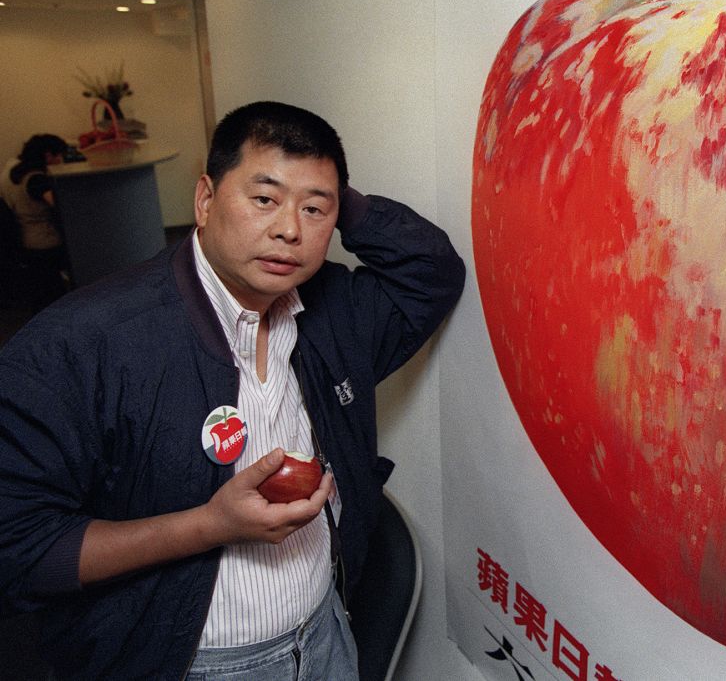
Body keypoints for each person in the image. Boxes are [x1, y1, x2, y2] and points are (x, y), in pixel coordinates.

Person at [0, 102, 466, 679]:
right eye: (264, 199)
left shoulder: (333, 311)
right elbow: (19, 548)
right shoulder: (84, 343)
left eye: (315, 209)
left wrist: (344, 202)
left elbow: (432, 273)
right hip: (183, 662)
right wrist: (211, 525)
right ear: (204, 200)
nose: (289, 229)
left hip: (324, 636)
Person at [0, 134, 70, 305]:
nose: (61, 160)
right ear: (48, 155)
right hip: (45, 242)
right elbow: (60, 206)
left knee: (43, 293)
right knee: (55, 291)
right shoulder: (36, 179)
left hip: (26, 240)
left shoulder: (13, 171)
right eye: (59, 155)